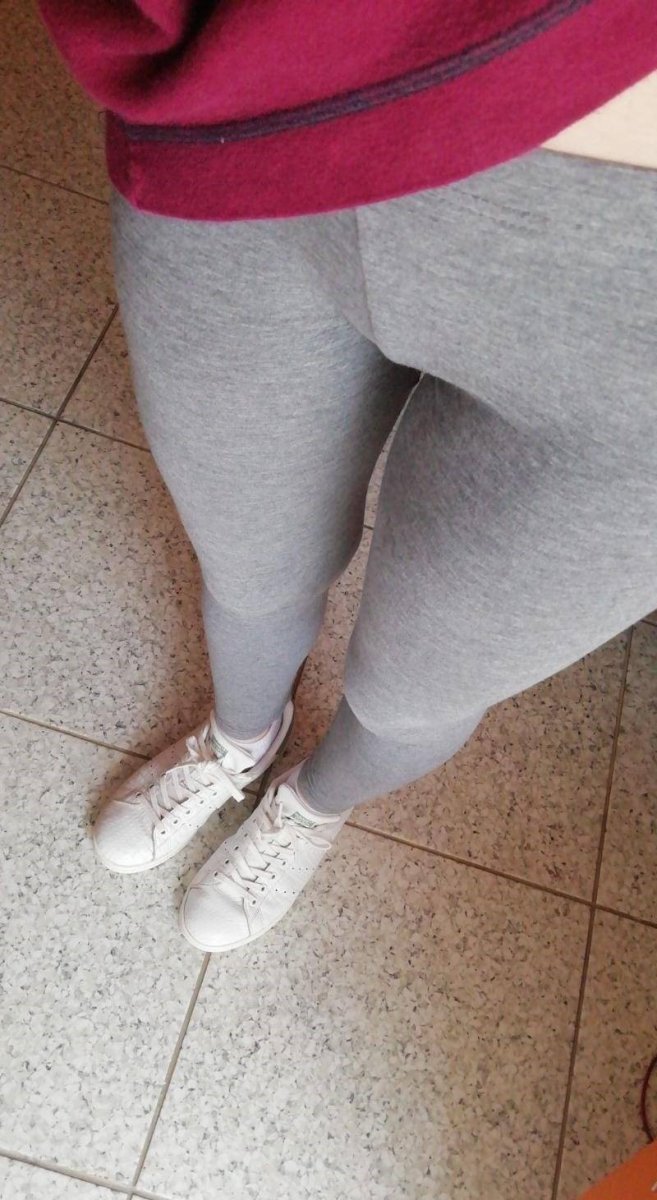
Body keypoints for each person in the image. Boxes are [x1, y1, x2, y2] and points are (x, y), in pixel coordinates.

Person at [39, 1, 657, 953]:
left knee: (419, 683)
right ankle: (238, 740)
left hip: (629, 328)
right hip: (268, 122)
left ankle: (312, 801)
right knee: (250, 564)